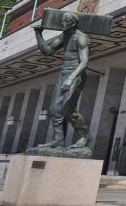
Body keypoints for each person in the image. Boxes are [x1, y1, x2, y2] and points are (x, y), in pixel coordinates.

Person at [33, 12, 90, 149]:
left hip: (76, 74)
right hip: (63, 74)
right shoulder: (64, 35)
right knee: (54, 109)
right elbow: (47, 51)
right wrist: (38, 34)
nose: (62, 23)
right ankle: (58, 139)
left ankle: (83, 136)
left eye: (65, 21)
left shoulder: (81, 37)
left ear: (73, 23)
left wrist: (71, 79)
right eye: (62, 21)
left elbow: (84, 61)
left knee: (67, 109)